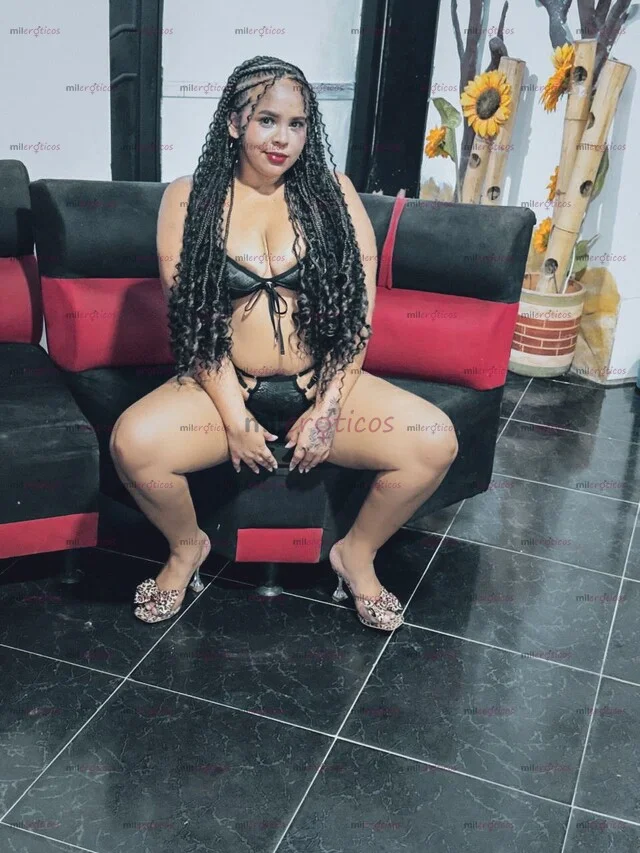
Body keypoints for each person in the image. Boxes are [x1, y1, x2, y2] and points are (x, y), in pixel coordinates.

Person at [109, 55, 458, 632]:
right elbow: (194, 320)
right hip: (227, 386)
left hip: (319, 384)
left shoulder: (335, 194)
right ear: (234, 122)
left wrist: (328, 408)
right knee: (134, 445)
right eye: (267, 120)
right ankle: (186, 548)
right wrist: (235, 418)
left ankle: (357, 554)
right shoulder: (188, 198)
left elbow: (358, 315)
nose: (283, 139)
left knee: (434, 442)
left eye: (296, 125)